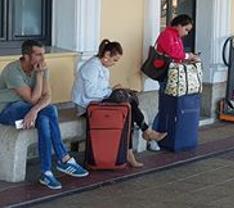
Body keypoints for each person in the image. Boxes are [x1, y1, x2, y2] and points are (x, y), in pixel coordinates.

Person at [0, 40, 89, 190]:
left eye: (43, 54)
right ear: (26, 56)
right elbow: (33, 99)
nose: (43, 58)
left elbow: (47, 96)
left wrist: (34, 111)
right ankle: (63, 159)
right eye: (38, 54)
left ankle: (46, 172)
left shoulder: (41, 67)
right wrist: (39, 75)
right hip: (7, 110)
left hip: (29, 110)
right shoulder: (12, 70)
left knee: (44, 118)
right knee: (50, 111)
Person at [72, 39, 167, 168]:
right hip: (87, 106)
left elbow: (101, 90)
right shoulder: (92, 67)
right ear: (106, 55)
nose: (115, 63)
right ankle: (145, 133)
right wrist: (112, 91)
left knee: (127, 107)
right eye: (115, 60)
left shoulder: (102, 67)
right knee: (126, 103)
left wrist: (112, 91)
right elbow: (90, 92)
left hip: (97, 103)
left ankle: (139, 141)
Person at [149, 15, 200, 151]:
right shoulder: (167, 35)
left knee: (169, 107)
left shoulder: (175, 36)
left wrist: (187, 58)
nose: (187, 33)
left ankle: (163, 136)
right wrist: (189, 56)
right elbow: (174, 53)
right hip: (166, 75)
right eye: (186, 29)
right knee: (165, 107)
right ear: (178, 25)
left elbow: (178, 54)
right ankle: (153, 136)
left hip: (173, 75)